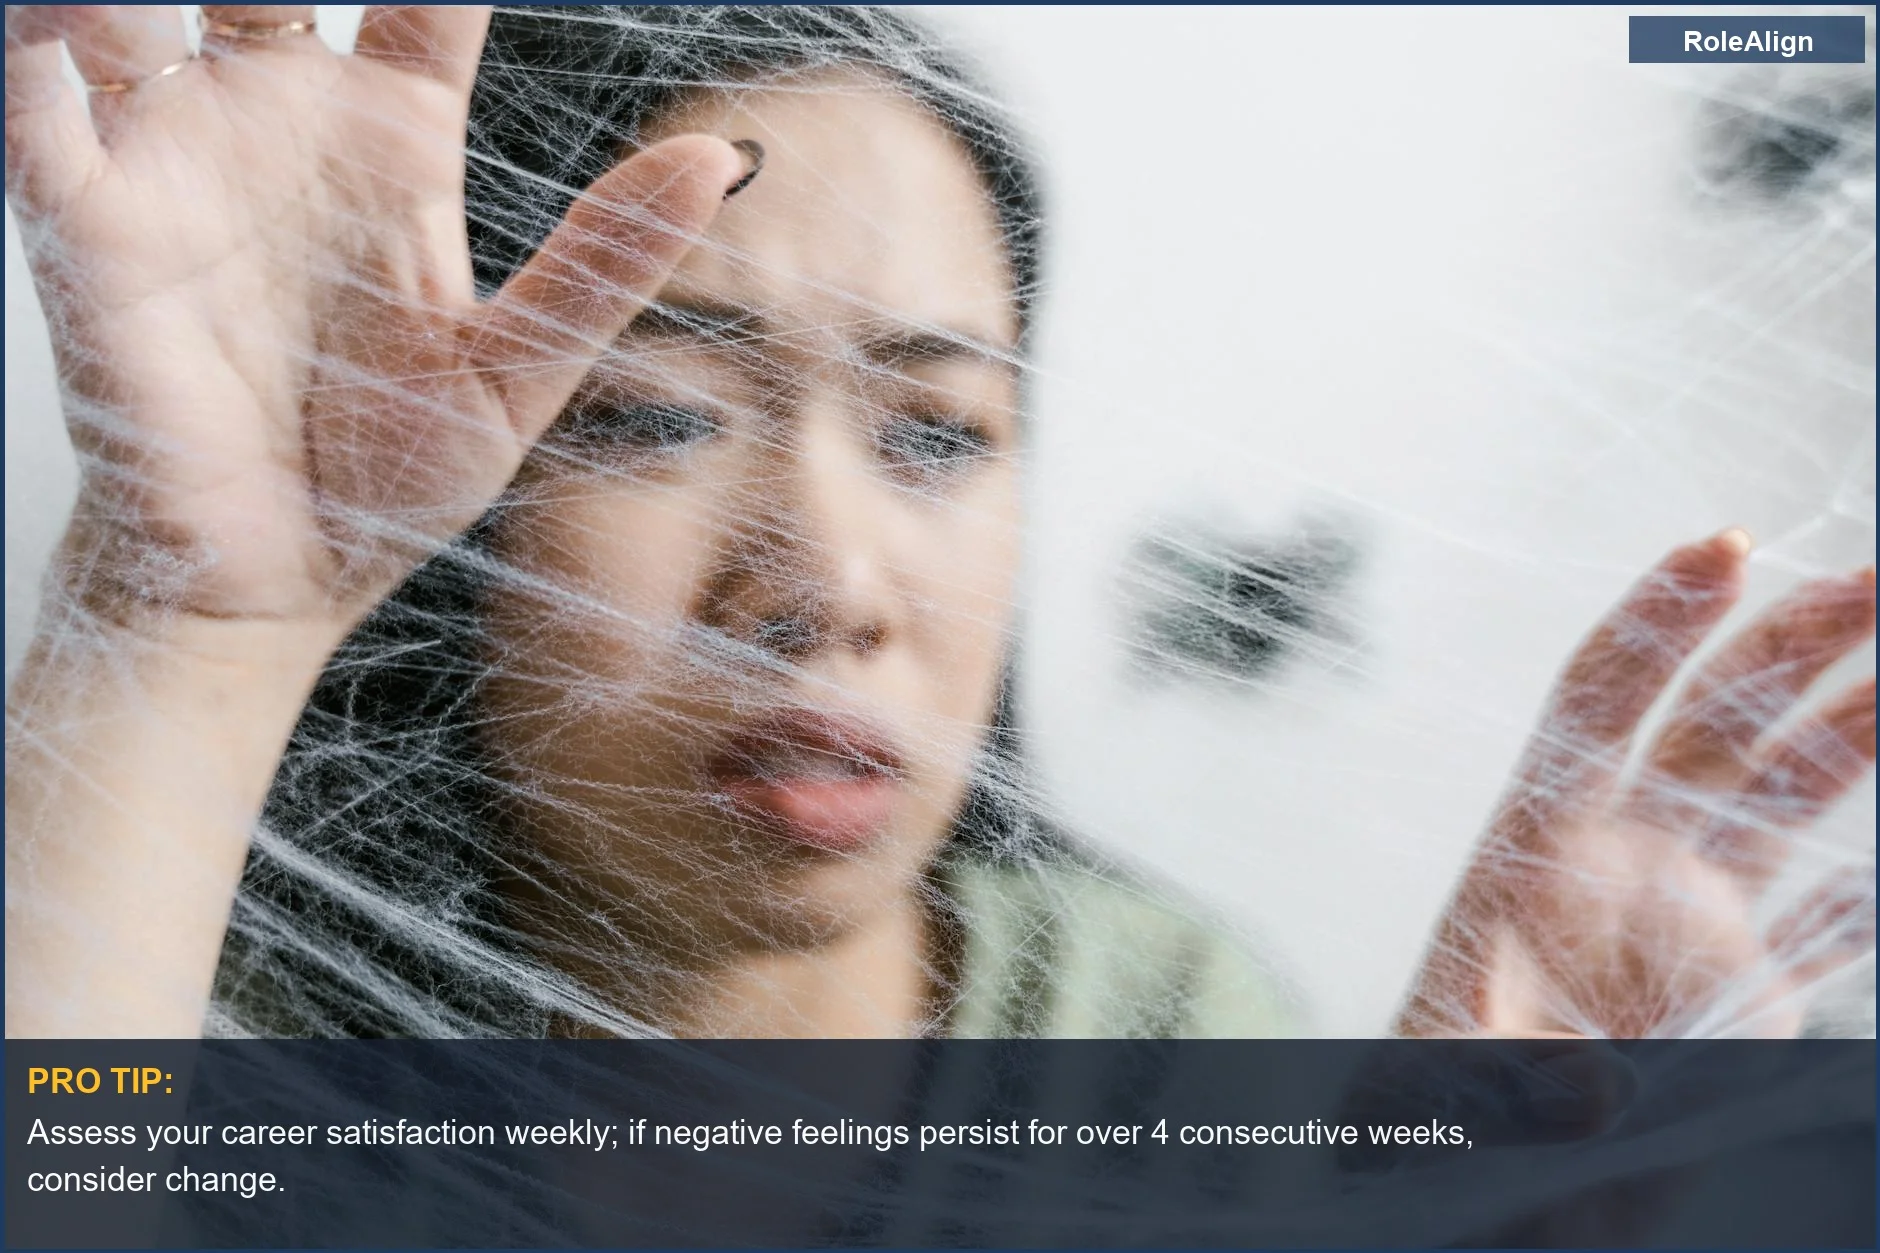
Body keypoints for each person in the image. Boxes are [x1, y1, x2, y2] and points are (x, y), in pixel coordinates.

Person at [5, 5, 1874, 1041]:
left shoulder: (1151, 1040)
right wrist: (191, 630)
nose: (829, 589)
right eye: (654, 416)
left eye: (937, 435)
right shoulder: (181, 1033)